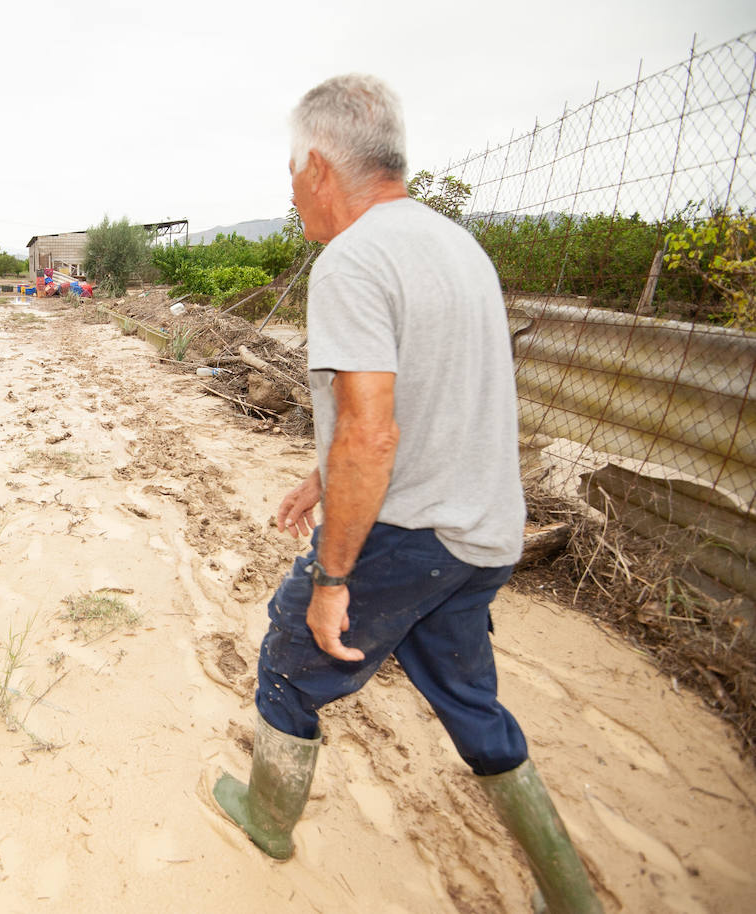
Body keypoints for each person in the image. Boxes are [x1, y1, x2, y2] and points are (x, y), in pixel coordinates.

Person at [211, 74, 601, 914]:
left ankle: (268, 820)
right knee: (469, 702)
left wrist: (333, 579)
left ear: (319, 164)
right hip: (483, 535)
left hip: (410, 535)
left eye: (289, 174)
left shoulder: (353, 258)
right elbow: (423, 396)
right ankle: (570, 895)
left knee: (288, 659)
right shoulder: (454, 244)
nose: (291, 191)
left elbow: (371, 433)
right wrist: (324, 474)